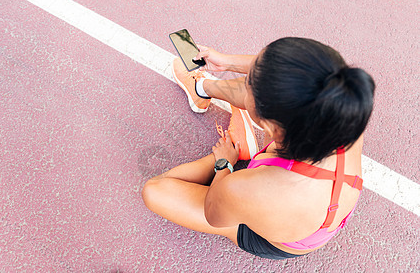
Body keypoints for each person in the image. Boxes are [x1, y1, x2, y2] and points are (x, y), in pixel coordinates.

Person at [142, 37, 375, 259]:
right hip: (311, 200)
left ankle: (238, 146)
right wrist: (226, 61)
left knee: (154, 191)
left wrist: (223, 162)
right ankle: (201, 88)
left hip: (270, 235)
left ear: (268, 128)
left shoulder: (248, 189)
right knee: (270, 94)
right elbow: (278, 79)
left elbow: (214, 215)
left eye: (249, 82)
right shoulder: (342, 109)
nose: (246, 79)